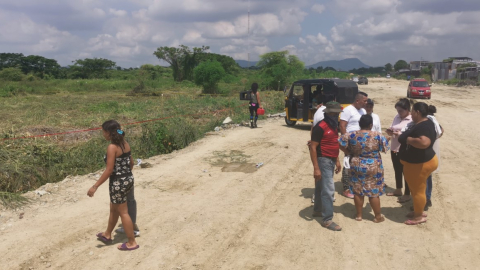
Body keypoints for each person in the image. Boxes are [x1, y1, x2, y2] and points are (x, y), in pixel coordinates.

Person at [87, 120, 140, 251]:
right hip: (128, 179)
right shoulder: (125, 143)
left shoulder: (112, 147)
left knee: (123, 212)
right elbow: (131, 163)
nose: (103, 134)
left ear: (109, 133)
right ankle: (107, 234)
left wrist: (95, 186)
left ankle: (132, 242)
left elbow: (109, 170)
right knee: (114, 209)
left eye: (103, 132)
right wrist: (125, 176)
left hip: (117, 182)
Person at [339, 115, 389, 223]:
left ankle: (359, 215)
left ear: (359, 124)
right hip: (373, 166)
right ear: (371, 125)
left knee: (357, 190)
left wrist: (348, 152)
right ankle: (377, 216)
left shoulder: (351, 134)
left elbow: (339, 142)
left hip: (356, 163)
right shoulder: (377, 135)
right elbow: (385, 148)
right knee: (373, 191)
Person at [398, 102, 438, 225]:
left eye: (412, 111)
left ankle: (418, 216)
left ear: (418, 112)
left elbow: (424, 142)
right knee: (417, 190)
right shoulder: (427, 122)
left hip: (420, 164)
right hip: (421, 161)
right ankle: (418, 210)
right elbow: (440, 130)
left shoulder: (423, 126)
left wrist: (409, 140)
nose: (411, 113)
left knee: (418, 191)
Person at [309, 101, 343, 231]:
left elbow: (334, 144)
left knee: (319, 187)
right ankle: (327, 219)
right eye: (335, 113)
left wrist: (337, 160)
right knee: (328, 191)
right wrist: (316, 168)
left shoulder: (334, 126)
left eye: (338, 114)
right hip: (323, 161)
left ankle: (317, 210)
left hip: (331, 160)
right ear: (329, 113)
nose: (337, 116)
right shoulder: (320, 127)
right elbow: (313, 147)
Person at [410, 105, 443, 211]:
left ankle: (424, 201)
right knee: (427, 177)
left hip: (425, 154)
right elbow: (441, 131)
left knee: (423, 178)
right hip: (431, 153)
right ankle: (427, 198)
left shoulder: (427, 122)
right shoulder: (434, 122)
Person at [339, 91, 368, 199]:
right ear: (357, 100)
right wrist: (345, 141)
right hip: (350, 142)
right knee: (348, 163)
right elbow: (342, 126)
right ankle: (346, 188)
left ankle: (357, 184)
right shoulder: (348, 110)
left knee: (358, 164)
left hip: (361, 143)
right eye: (364, 101)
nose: (366, 103)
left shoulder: (363, 111)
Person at [385, 99, 412, 202]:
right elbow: (393, 126)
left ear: (407, 110)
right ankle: (398, 189)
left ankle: (407, 194)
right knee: (397, 169)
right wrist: (390, 130)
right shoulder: (397, 116)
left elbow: (410, 134)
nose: (398, 113)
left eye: (401, 111)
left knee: (406, 172)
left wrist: (399, 134)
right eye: (397, 110)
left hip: (404, 149)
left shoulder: (411, 119)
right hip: (394, 147)